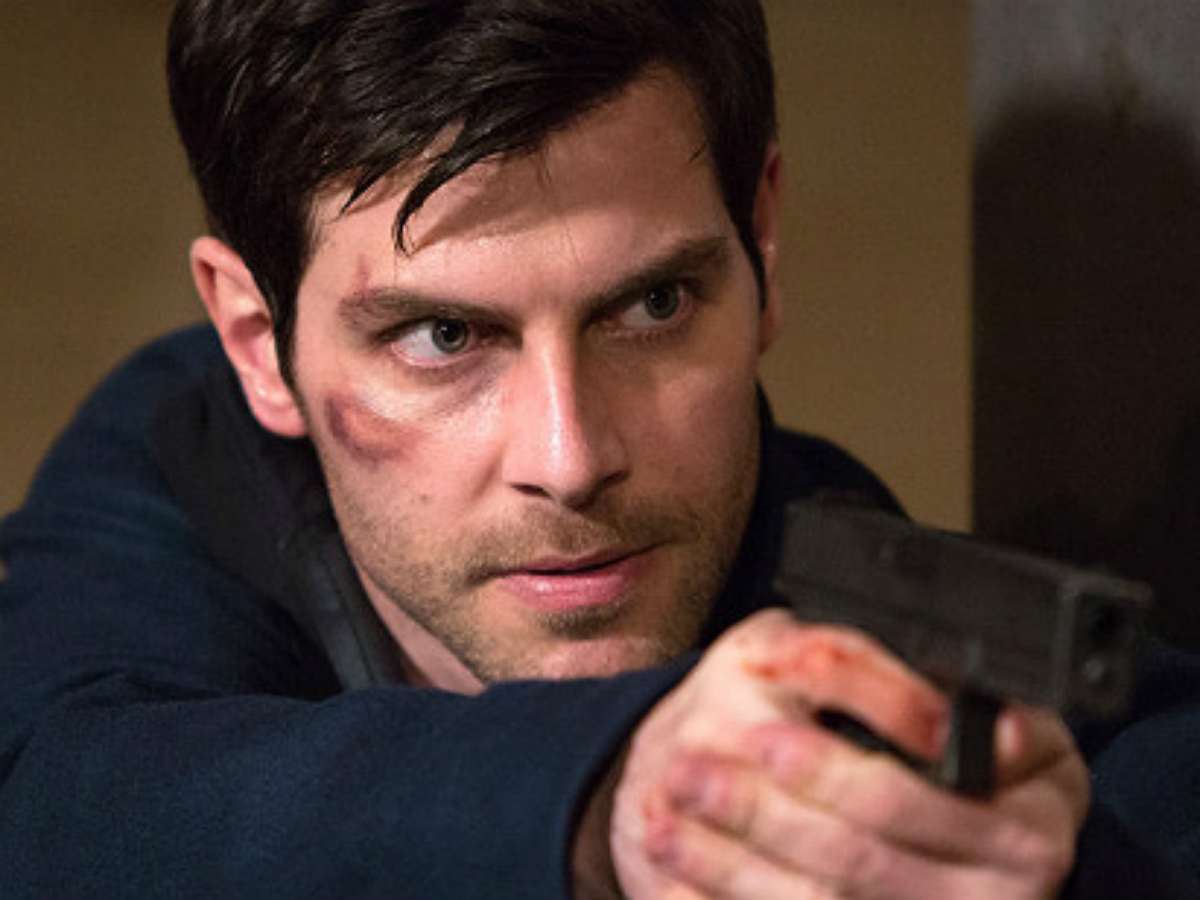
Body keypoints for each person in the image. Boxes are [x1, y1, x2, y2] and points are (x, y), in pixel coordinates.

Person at [1, 2, 1197, 897]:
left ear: (761, 244)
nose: (572, 459)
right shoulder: (175, 464)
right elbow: (61, 799)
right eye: (443, 336)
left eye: (652, 306)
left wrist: (1054, 867)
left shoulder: (852, 578)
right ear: (258, 345)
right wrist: (608, 793)